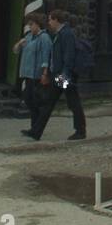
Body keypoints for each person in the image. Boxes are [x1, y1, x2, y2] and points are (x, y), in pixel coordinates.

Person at [28, 9, 86, 141]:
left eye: (50, 20)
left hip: (63, 75)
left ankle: (80, 130)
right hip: (59, 74)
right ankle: (36, 131)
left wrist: (65, 74)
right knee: (49, 101)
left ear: (56, 20)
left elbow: (68, 55)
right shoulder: (60, 34)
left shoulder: (66, 34)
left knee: (72, 101)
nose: (49, 22)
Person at [14, 13, 52, 136]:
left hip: (37, 75)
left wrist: (45, 73)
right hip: (27, 74)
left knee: (36, 100)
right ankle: (34, 127)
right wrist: (19, 44)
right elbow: (15, 51)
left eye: (32, 24)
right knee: (29, 99)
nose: (30, 27)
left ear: (38, 24)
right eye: (29, 25)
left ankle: (36, 128)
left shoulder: (44, 37)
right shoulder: (29, 37)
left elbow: (46, 56)